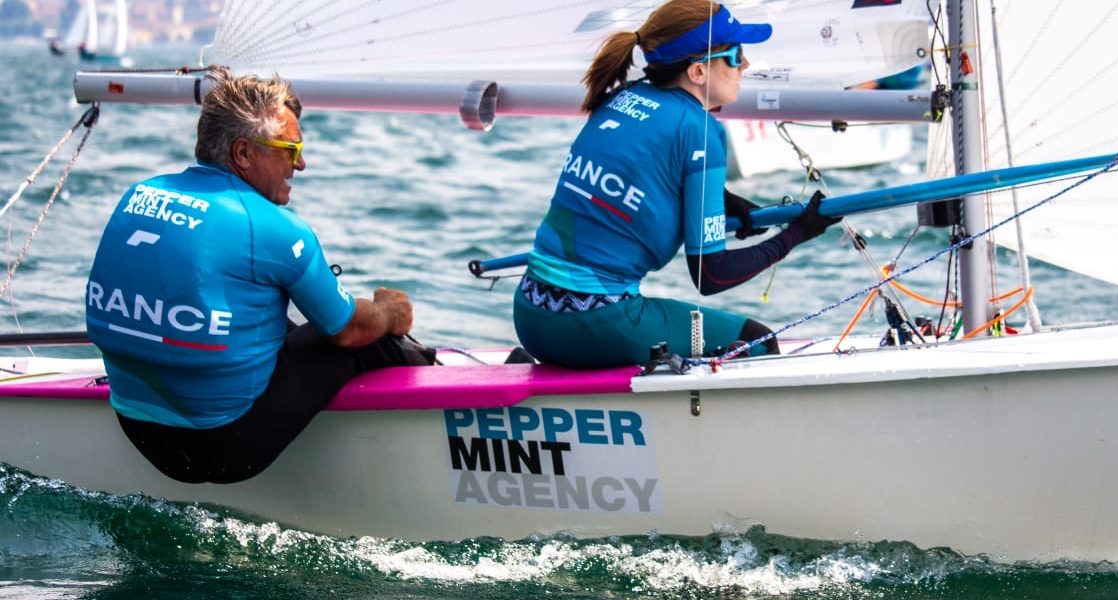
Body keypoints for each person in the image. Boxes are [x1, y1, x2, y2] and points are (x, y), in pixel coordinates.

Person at [85, 67, 433, 484]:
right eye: (291, 147)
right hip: (224, 446)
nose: (301, 164)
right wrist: (388, 312)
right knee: (364, 336)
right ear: (244, 153)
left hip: (138, 431)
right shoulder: (273, 227)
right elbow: (346, 331)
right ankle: (435, 380)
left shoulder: (140, 194)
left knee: (266, 314)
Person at [513, 0, 841, 368]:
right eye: (735, 56)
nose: (745, 66)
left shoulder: (624, 98)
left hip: (529, 315)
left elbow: (642, 174)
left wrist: (721, 199)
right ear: (698, 72)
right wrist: (797, 234)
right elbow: (711, 275)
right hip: (595, 325)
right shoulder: (701, 131)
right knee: (756, 340)